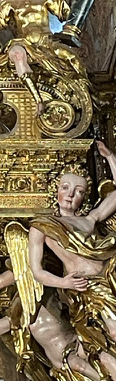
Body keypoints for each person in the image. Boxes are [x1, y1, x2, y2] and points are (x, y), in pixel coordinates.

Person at [28, 140, 116, 356]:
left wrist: (110, 157)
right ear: (55, 190)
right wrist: (63, 283)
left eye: (78, 191)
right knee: (113, 331)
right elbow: (36, 271)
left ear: (84, 197)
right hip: (86, 285)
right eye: (65, 188)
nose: (70, 194)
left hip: (110, 274)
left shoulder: (90, 219)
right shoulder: (42, 226)